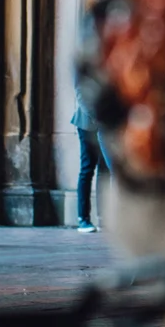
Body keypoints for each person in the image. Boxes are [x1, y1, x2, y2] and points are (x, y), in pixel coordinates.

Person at [72, 95, 108, 232]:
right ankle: (83, 219)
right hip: (87, 125)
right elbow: (82, 96)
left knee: (104, 172)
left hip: (104, 126)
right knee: (87, 169)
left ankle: (103, 219)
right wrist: (97, 118)